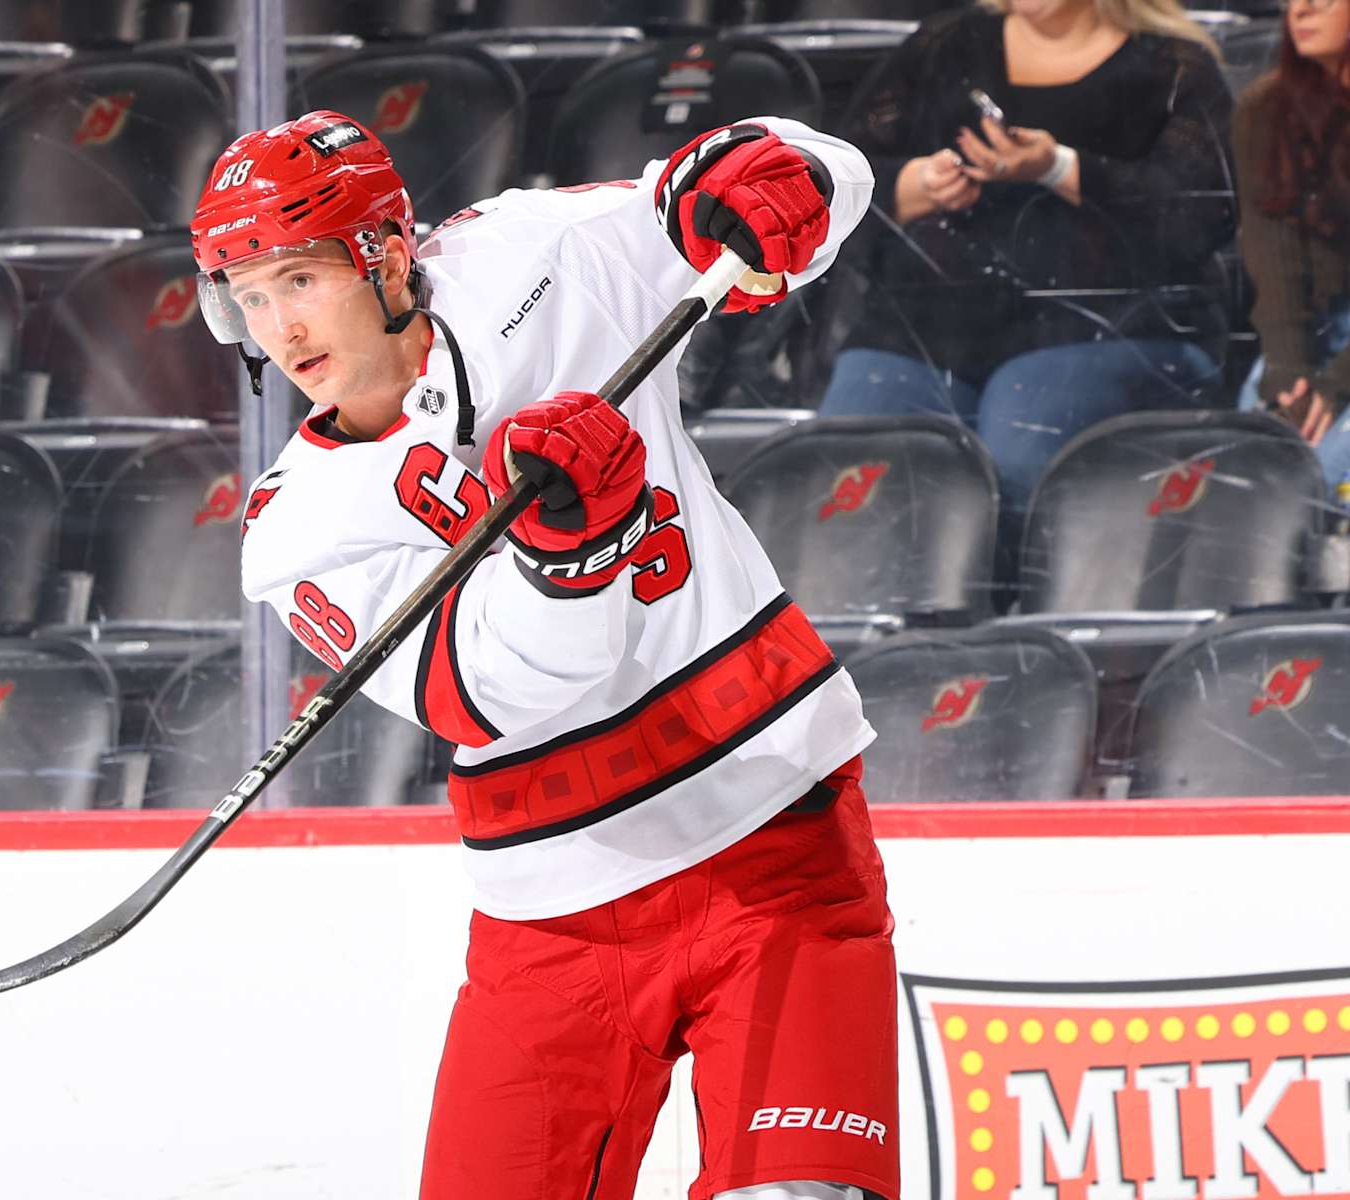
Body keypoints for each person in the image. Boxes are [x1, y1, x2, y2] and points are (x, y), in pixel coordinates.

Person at [191, 110, 891, 1200]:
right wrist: (572, 553)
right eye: (248, 296)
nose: (279, 326)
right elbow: (485, 697)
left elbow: (773, 180)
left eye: (299, 278)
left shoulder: (533, 257)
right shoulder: (300, 529)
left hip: (776, 836)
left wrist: (785, 177)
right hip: (552, 914)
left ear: (385, 255)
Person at [817, 0, 1236, 578]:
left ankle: (1010, 626)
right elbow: (835, 176)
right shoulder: (945, 46)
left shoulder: (1172, 66)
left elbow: (1199, 217)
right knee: (840, 471)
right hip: (926, 325)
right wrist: (914, 184)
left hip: (1108, 326)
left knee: (1017, 448)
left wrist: (1060, 169)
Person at [1232, 0, 1350, 488]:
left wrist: (1338, 383)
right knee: (1258, 473)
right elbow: (1274, 260)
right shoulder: (1267, 107)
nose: (1300, 10)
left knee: (1331, 474)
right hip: (1318, 327)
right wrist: (1287, 372)